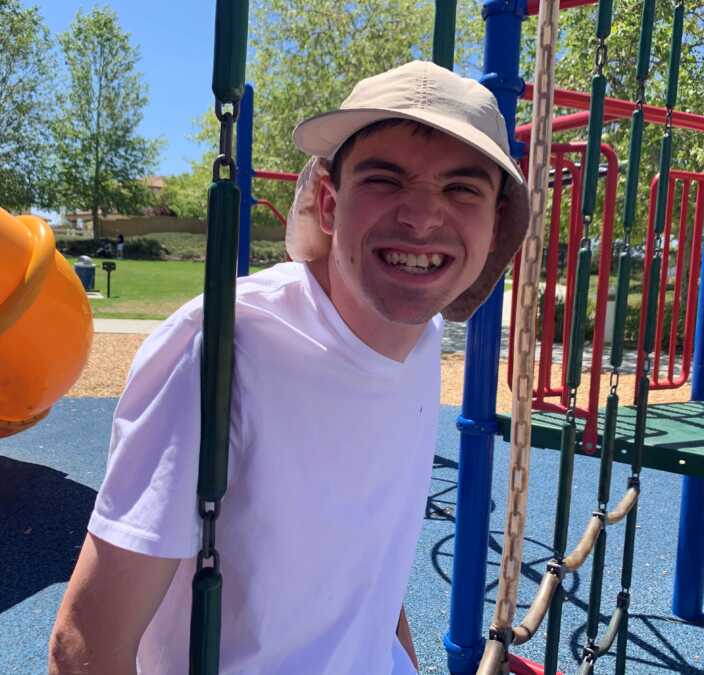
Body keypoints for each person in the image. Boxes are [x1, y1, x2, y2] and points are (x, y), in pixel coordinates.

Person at [48, 60, 530, 675]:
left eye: (462, 189)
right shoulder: (222, 349)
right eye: (385, 180)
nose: (422, 216)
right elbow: (85, 643)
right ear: (329, 204)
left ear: (493, 229)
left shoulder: (424, 337)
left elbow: (366, 565)